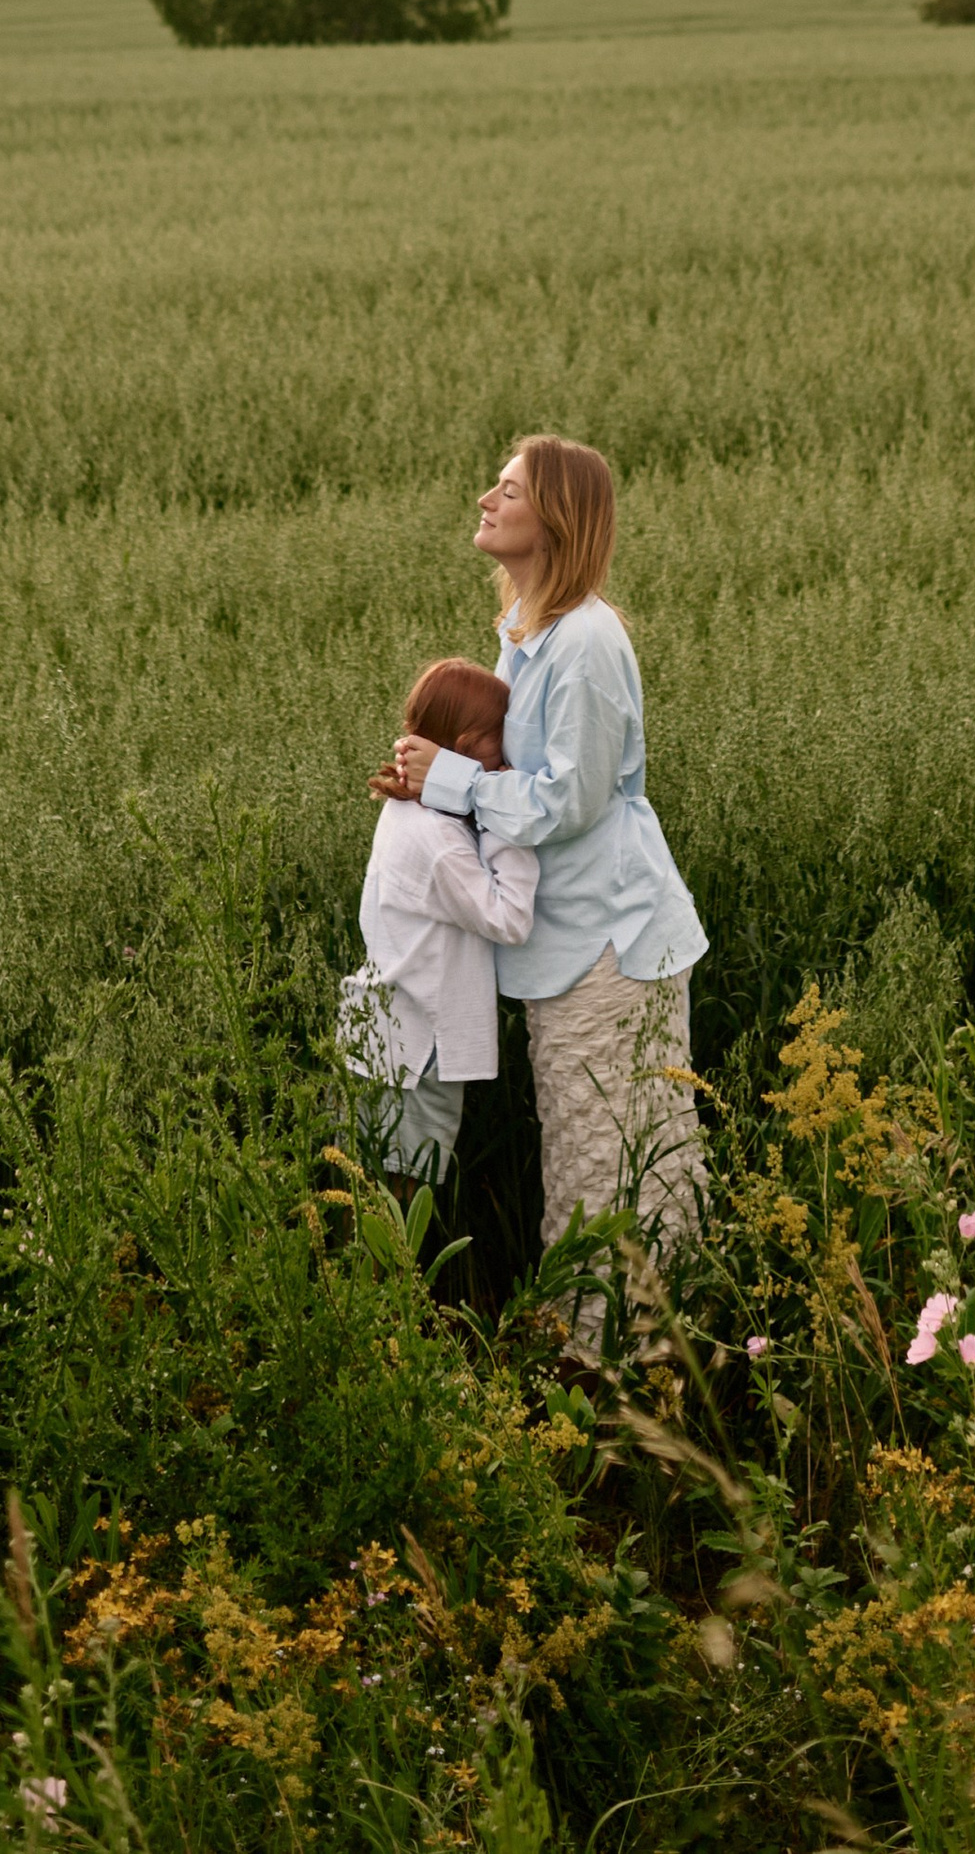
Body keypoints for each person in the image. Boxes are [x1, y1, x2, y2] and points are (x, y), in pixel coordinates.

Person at [374, 436, 707, 1322]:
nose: (486, 497)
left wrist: (446, 778)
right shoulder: (529, 636)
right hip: (568, 947)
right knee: (591, 1164)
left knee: (621, 1168)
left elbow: (573, 800)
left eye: (510, 488)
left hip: (611, 946)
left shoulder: (587, 641)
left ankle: (632, 1372)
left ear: (553, 518)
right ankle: (611, 1368)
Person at [342, 659, 538, 1187]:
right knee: (401, 1197)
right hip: (417, 1049)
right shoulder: (435, 841)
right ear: (470, 743)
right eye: (503, 740)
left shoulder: (409, 812)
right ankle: (395, 1273)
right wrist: (506, 816)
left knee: (365, 1193)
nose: (510, 754)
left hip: (389, 1033)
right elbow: (510, 917)